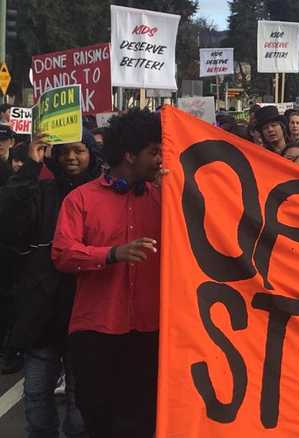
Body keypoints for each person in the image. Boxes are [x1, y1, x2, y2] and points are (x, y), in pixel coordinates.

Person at [52, 109, 163, 437]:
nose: (160, 159)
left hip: (150, 328)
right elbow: (61, 253)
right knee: (99, 415)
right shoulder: (80, 199)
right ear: (129, 155)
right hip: (97, 328)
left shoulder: (164, 197)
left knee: (144, 416)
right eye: (153, 152)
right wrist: (111, 254)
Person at [1, 131, 101, 437]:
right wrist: (31, 167)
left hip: (87, 308)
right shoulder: (41, 190)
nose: (71, 157)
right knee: (35, 393)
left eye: (79, 150)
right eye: (64, 152)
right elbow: (8, 218)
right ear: (53, 157)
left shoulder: (106, 193)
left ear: (91, 154)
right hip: (41, 310)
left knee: (79, 400)